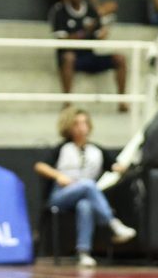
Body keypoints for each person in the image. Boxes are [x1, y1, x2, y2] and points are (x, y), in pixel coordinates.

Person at [33, 107, 137, 268]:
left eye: (84, 123)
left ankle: (83, 253)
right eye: (77, 123)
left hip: (86, 196)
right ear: (69, 126)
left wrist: (125, 167)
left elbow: (115, 166)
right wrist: (58, 176)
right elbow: (40, 166)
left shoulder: (96, 150)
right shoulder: (63, 148)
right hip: (61, 196)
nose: (82, 127)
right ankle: (113, 224)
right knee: (88, 184)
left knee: (86, 205)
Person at [49, 0, 128, 110]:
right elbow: (62, 39)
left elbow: (97, 34)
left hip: (89, 56)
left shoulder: (90, 10)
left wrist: (102, 33)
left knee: (120, 58)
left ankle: (122, 101)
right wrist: (83, 32)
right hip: (70, 57)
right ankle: (67, 102)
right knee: (68, 58)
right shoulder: (59, 11)